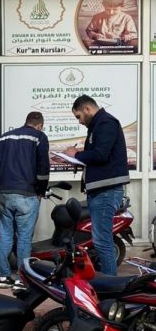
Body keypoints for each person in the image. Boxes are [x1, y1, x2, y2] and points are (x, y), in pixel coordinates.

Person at [67, 95, 129, 275]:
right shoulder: (98, 125)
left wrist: (76, 155)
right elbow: (98, 154)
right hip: (100, 191)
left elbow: (101, 154)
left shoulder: (106, 123)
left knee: (102, 241)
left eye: (78, 116)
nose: (79, 121)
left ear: (87, 109)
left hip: (106, 191)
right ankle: (108, 283)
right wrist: (77, 157)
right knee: (101, 240)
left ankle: (110, 285)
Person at [0, 111, 49, 289]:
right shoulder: (39, 137)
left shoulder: (4, 137)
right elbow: (43, 169)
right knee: (24, 238)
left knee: (6, 235)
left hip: (6, 193)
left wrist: (2, 186)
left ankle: (4, 277)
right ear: (39, 125)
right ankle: (22, 279)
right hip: (27, 194)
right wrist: (40, 191)